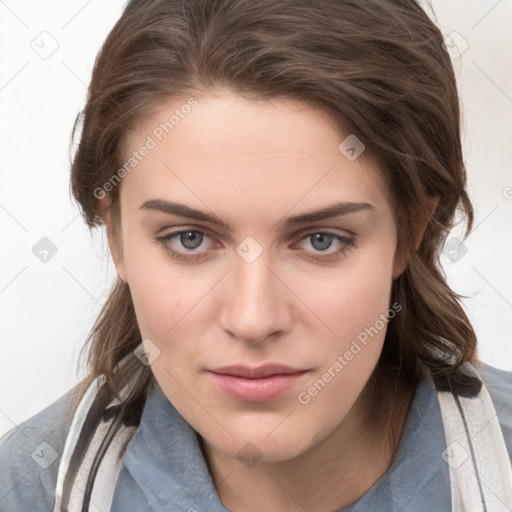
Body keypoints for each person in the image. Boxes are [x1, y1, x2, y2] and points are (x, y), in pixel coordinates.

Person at [1, 0, 511, 511]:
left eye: (321, 240)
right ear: (115, 235)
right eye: (190, 239)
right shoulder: (27, 489)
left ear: (411, 233)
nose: (253, 319)